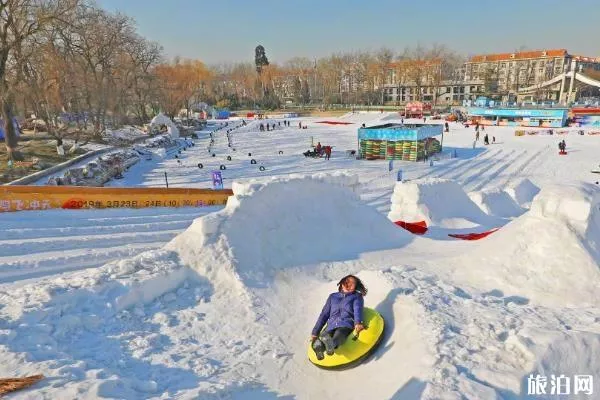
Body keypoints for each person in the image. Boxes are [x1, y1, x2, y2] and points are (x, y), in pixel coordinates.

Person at [311, 275, 367, 360]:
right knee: (325, 335)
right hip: (331, 324)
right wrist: (315, 332)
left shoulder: (356, 296)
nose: (350, 284)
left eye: (353, 283)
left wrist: (358, 323)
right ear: (342, 282)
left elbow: (357, 309)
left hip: (345, 323)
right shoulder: (332, 297)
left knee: (339, 334)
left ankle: (332, 344)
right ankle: (319, 348)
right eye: (347, 281)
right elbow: (324, 314)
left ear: (355, 286)